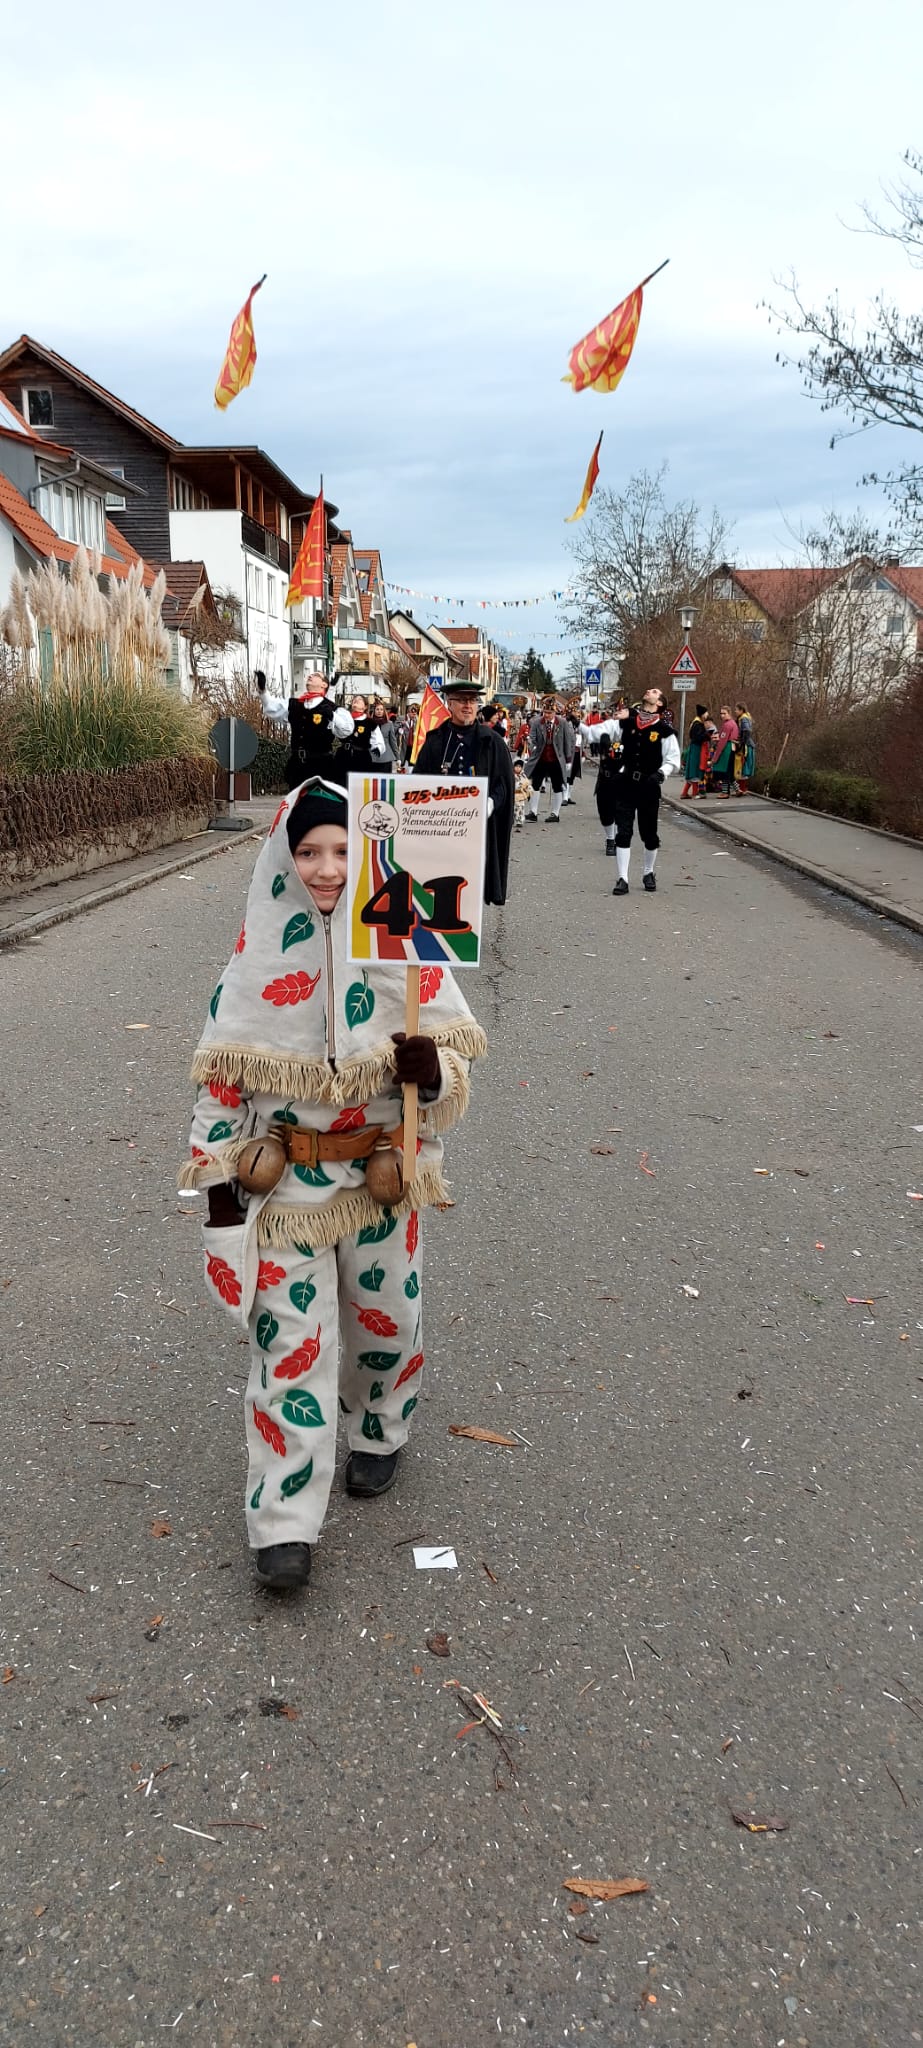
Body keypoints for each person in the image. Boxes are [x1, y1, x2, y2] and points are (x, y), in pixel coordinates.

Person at [181, 778, 487, 1591]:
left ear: (368, 857)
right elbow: (217, 1098)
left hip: (383, 1182)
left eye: (343, 851)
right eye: (308, 851)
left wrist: (435, 1069)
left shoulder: (408, 959)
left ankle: (381, 1429)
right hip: (282, 1196)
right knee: (288, 1354)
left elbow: (450, 1090)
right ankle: (282, 1521)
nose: (324, 868)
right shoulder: (246, 972)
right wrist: (220, 1209)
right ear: (283, 859)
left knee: (385, 1326)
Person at [413, 678, 515, 904]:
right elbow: (418, 783)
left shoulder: (493, 742)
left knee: (472, 883)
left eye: (472, 700)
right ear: (449, 704)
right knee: (441, 880)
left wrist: (489, 803)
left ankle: (470, 932)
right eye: (461, 700)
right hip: (440, 827)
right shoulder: (435, 741)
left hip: (477, 829)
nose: (468, 706)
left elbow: (503, 785)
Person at [609, 686, 682, 895]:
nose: (649, 691)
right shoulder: (630, 723)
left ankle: (648, 871)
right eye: (649, 690)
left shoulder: (665, 731)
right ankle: (622, 878)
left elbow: (673, 759)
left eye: (654, 692)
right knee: (623, 831)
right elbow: (611, 735)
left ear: (659, 703)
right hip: (626, 785)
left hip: (648, 787)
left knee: (649, 834)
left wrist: (661, 774)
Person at [286, 675, 353, 790]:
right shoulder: (297, 704)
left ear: (324, 684)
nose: (310, 676)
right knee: (296, 803)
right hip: (298, 764)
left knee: (318, 801)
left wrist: (332, 715)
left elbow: (346, 730)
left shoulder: (332, 708)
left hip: (320, 764)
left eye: (316, 675)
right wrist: (263, 693)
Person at [522, 697, 575, 823]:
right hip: (540, 757)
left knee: (557, 785)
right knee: (535, 785)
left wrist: (568, 760)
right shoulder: (537, 722)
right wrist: (531, 745)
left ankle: (555, 814)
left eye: (550, 713)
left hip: (557, 758)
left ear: (555, 712)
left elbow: (568, 741)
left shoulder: (562, 723)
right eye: (545, 712)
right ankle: (533, 812)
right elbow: (532, 737)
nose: (547, 715)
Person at [594, 731, 624, 854]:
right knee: (605, 812)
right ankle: (610, 839)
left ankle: (615, 840)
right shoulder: (606, 736)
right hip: (605, 780)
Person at [708, 706, 740, 797]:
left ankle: (725, 792)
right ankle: (737, 789)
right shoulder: (733, 723)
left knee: (724, 771)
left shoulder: (727, 725)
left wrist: (715, 757)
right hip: (732, 748)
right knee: (729, 771)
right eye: (721, 713)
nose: (722, 715)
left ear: (729, 713)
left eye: (724, 713)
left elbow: (722, 741)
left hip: (726, 749)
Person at [680, 703, 711, 798]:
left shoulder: (695, 723)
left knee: (692, 771)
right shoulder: (698, 724)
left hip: (694, 748)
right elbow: (698, 737)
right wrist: (707, 735)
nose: (707, 715)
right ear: (702, 714)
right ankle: (694, 793)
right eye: (706, 713)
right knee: (695, 770)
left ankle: (684, 793)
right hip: (697, 749)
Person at [734, 704, 756, 791]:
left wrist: (742, 742)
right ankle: (742, 789)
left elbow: (746, 730)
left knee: (743, 765)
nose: (735, 711)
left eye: (736, 710)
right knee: (743, 766)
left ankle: (742, 789)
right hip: (747, 744)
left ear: (741, 710)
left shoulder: (743, 719)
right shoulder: (746, 717)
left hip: (745, 746)